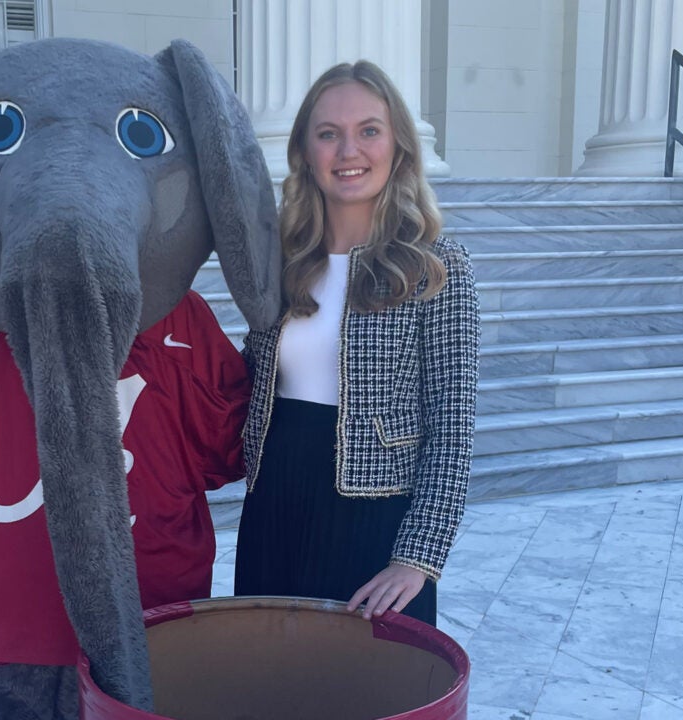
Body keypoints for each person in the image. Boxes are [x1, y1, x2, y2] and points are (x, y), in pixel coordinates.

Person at [234, 60, 480, 626]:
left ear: (398, 146)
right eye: (329, 134)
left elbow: (453, 425)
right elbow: (246, 385)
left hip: (374, 523)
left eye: (369, 130)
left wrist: (418, 558)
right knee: (268, 686)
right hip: (273, 505)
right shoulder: (284, 265)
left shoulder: (438, 269)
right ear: (306, 152)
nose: (349, 151)